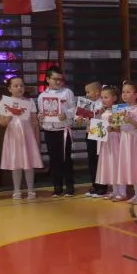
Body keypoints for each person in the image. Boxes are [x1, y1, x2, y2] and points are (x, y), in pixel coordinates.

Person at [0, 76, 43, 200]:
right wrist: (7, 118)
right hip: (13, 137)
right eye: (16, 86)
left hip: (27, 136)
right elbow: (1, 122)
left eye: (22, 85)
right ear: (9, 88)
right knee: (16, 164)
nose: (19, 88)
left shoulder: (29, 102)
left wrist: (37, 139)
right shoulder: (4, 102)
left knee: (29, 164)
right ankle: (17, 190)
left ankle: (31, 190)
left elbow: (34, 122)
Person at [37, 66, 76, 197]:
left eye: (61, 79)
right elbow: (41, 114)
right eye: (55, 79)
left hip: (63, 131)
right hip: (49, 131)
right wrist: (40, 117)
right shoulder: (42, 96)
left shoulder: (67, 92)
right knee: (54, 160)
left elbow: (74, 109)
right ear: (48, 79)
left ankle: (69, 187)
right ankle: (57, 187)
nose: (59, 81)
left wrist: (66, 115)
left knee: (66, 159)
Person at [95, 86, 123, 201]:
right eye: (102, 97)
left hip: (115, 140)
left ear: (114, 98)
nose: (103, 100)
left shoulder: (119, 109)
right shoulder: (104, 111)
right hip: (106, 141)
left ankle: (122, 192)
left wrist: (112, 128)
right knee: (110, 164)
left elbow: (120, 128)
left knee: (117, 164)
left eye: (106, 97)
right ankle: (115, 190)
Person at [80, 81, 107, 198]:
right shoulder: (87, 103)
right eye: (86, 92)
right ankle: (95, 185)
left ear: (97, 92)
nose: (86, 94)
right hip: (90, 133)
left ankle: (102, 186)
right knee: (91, 160)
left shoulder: (103, 103)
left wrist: (96, 113)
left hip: (99, 134)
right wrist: (81, 118)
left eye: (88, 92)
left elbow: (103, 116)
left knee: (99, 160)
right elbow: (81, 119)